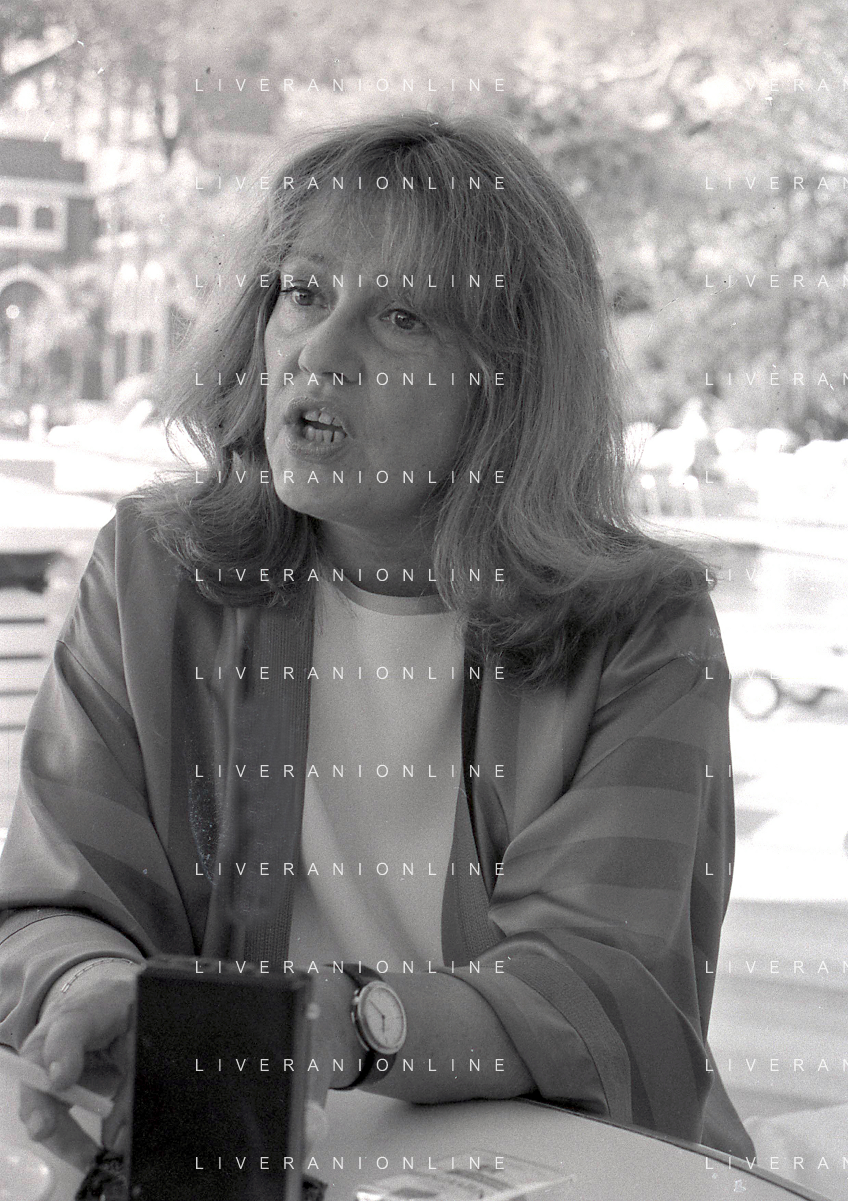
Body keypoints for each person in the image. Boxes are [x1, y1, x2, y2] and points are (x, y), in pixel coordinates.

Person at [0, 112, 753, 1175]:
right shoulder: (152, 570)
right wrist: (95, 987)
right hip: (226, 1162)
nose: (319, 352)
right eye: (304, 293)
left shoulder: (642, 626)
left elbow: (595, 990)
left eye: (401, 317)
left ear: (506, 381)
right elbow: (51, 900)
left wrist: (343, 1022)